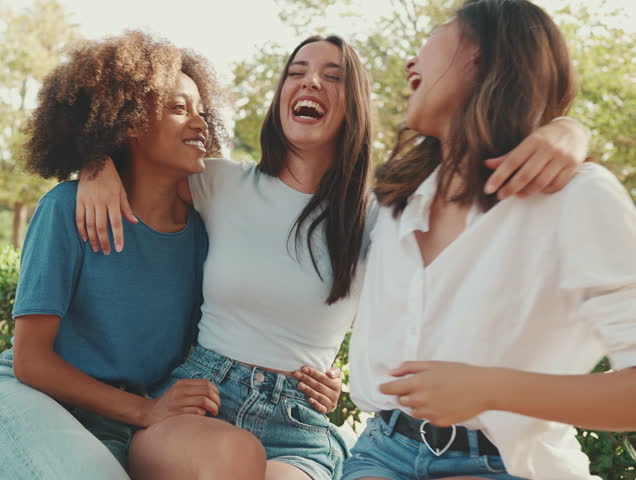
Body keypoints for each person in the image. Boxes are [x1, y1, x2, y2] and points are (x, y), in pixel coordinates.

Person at [75, 32, 591, 479]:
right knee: (231, 458)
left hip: (297, 425)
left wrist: (568, 131)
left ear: (354, 105)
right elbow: (137, 146)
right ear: (281, 97)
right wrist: (95, 164)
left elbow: (441, 273)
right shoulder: (219, 182)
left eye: (333, 76)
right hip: (200, 402)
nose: (311, 83)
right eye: (296, 72)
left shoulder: (380, 219)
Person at [0, 31, 340, 480]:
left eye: (201, 110)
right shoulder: (65, 209)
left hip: (126, 422)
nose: (201, 124)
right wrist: (146, 410)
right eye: (179, 108)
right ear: (130, 121)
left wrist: (311, 377)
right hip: (30, 398)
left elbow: (239, 320)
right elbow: (31, 361)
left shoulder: (200, 234)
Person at [342, 1, 636, 479]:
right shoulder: (399, 200)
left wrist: (491, 388)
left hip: (506, 464)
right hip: (379, 451)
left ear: (482, 54)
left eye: (434, 35)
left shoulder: (578, 198)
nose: (409, 63)